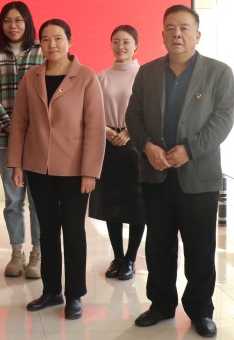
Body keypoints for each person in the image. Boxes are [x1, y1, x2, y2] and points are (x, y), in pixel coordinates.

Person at [126, 4, 234, 339]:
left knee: (200, 247)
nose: (177, 34)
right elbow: (133, 116)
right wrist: (147, 147)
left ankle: (201, 310)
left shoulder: (219, 72)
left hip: (198, 176)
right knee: (158, 245)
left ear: (197, 35)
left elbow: (223, 120)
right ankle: (160, 304)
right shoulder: (147, 72)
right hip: (155, 172)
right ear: (162, 35)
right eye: (171, 28)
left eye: (184, 28)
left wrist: (189, 150)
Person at [6, 19, 106, 321]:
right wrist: (17, 163)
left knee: (73, 232)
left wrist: (90, 172)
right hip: (39, 167)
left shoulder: (86, 77)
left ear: (70, 41)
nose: (52, 45)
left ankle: (74, 294)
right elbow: (20, 122)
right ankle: (51, 291)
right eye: (46, 39)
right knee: (47, 231)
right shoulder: (32, 77)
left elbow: (95, 127)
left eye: (58, 38)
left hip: (75, 170)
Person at [0, 0, 43, 278]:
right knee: (13, 199)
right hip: (6, 139)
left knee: (38, 200)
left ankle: (37, 254)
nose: (13, 25)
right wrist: (9, 125)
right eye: (7, 20)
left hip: (39, 140)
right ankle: (17, 253)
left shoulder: (42, 52)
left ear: (27, 22)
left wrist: (33, 127)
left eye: (18, 20)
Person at [88, 25, 145, 281]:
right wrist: (107, 132)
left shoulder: (144, 76)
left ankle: (130, 259)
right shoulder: (101, 77)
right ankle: (118, 257)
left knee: (136, 205)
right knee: (111, 204)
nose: (120, 46)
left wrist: (130, 132)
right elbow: (91, 112)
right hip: (108, 144)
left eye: (126, 42)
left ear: (136, 45)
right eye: (116, 41)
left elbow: (150, 111)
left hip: (135, 144)